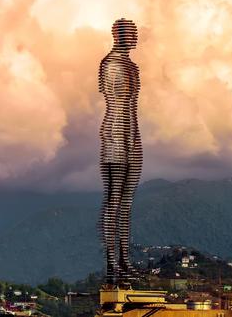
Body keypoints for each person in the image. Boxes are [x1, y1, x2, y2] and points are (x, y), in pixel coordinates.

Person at [98, 18, 142, 284]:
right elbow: (116, 103)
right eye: (128, 33)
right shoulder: (112, 64)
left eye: (135, 33)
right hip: (116, 136)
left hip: (131, 136)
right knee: (114, 201)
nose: (133, 37)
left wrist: (134, 139)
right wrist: (123, 138)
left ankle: (124, 260)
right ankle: (112, 262)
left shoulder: (131, 65)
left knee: (125, 204)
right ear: (116, 34)